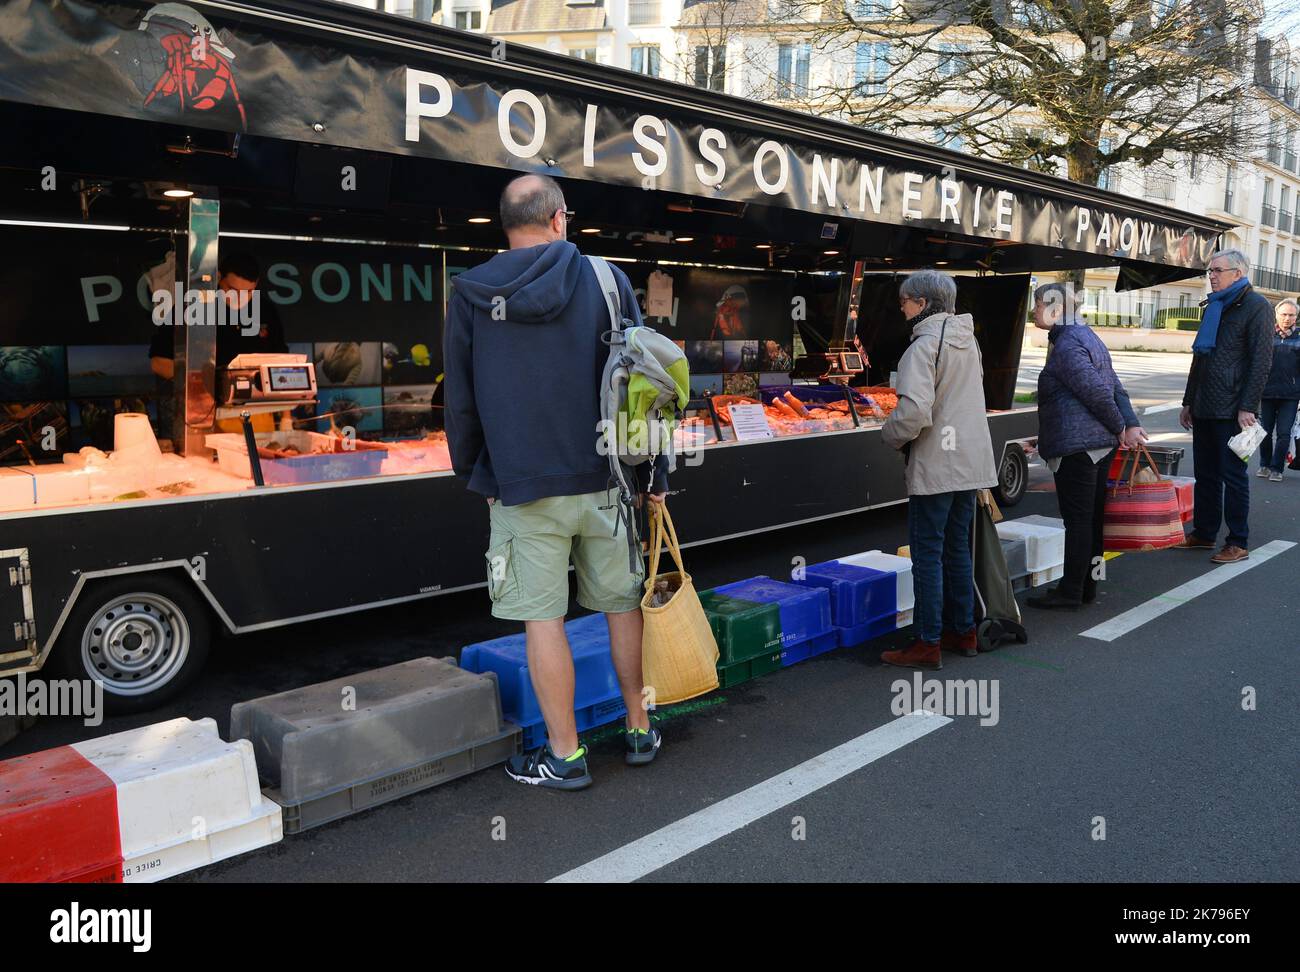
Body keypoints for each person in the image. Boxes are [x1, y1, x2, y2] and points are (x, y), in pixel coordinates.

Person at [443, 174, 667, 791]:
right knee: (622, 605)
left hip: (521, 485)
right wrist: (655, 469)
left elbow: (459, 400)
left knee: (543, 620)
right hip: (607, 479)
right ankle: (639, 724)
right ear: (561, 219)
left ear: (503, 224)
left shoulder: (469, 292)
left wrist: (477, 474)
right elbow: (642, 383)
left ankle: (565, 757)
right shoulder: (606, 279)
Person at [879, 269, 997, 669]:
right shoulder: (970, 342)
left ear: (923, 304)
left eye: (905, 301)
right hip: (970, 461)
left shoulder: (923, 346)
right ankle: (962, 631)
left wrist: (890, 434)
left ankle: (927, 641)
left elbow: (913, 412)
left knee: (927, 553)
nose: (902, 307)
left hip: (936, 464)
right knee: (956, 548)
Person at [1028, 282, 1147, 610]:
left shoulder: (1068, 343)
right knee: (1092, 519)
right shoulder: (1087, 336)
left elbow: (1096, 391)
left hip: (1080, 447)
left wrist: (1121, 426)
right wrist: (1127, 424)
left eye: (1037, 305)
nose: (1034, 311)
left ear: (1053, 309)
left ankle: (1070, 591)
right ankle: (1089, 586)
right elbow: (1114, 385)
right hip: (1096, 444)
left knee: (1078, 520)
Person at [1176, 249, 1275, 563]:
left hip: (1234, 409)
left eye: (1218, 270)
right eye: (1209, 271)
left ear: (1239, 272)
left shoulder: (1257, 306)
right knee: (1205, 474)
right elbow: (1199, 358)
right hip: (1205, 404)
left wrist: (1248, 406)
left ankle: (1238, 541)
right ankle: (1204, 533)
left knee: (1233, 476)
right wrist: (1188, 400)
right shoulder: (1214, 306)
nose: (1212, 276)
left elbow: (1261, 361)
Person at [148, 249, 287, 378]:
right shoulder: (191, 306)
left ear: (256, 284)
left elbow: (282, 360)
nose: (240, 299)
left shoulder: (266, 310)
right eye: (233, 290)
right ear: (219, 277)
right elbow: (159, 362)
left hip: (255, 402)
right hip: (201, 399)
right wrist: (202, 381)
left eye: (248, 292)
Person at [1256, 298, 1300, 482]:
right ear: (1276, 315)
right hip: (1266, 393)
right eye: (1284, 314)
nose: (1287, 318)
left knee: (1283, 434)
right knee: (1264, 432)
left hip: (1290, 396)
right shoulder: (1265, 335)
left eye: (1291, 315)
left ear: (1296, 317)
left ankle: (1277, 468)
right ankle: (1264, 465)